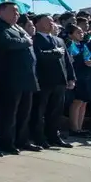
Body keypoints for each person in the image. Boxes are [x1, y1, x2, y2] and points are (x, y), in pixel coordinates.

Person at [0, 2, 40, 154]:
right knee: (8, 113)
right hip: (10, 77)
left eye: (17, 11)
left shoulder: (17, 27)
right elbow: (7, 43)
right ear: (1, 12)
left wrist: (26, 40)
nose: (17, 14)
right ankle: (7, 143)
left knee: (24, 112)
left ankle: (22, 140)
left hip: (26, 76)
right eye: (13, 11)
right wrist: (26, 41)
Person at [29, 14, 75, 148]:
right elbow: (39, 57)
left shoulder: (59, 40)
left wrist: (71, 77)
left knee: (56, 111)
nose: (51, 23)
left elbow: (67, 61)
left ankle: (54, 136)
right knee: (39, 112)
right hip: (43, 81)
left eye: (52, 21)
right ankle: (39, 138)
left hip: (59, 81)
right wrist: (54, 52)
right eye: (47, 21)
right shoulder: (34, 40)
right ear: (37, 24)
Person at [65, 23, 91, 138]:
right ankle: (74, 128)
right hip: (76, 75)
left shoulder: (83, 45)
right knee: (77, 102)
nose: (81, 34)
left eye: (82, 32)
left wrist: (89, 62)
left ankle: (80, 127)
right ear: (71, 34)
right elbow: (69, 59)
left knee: (83, 102)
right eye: (78, 32)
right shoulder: (69, 44)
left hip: (85, 75)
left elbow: (87, 57)